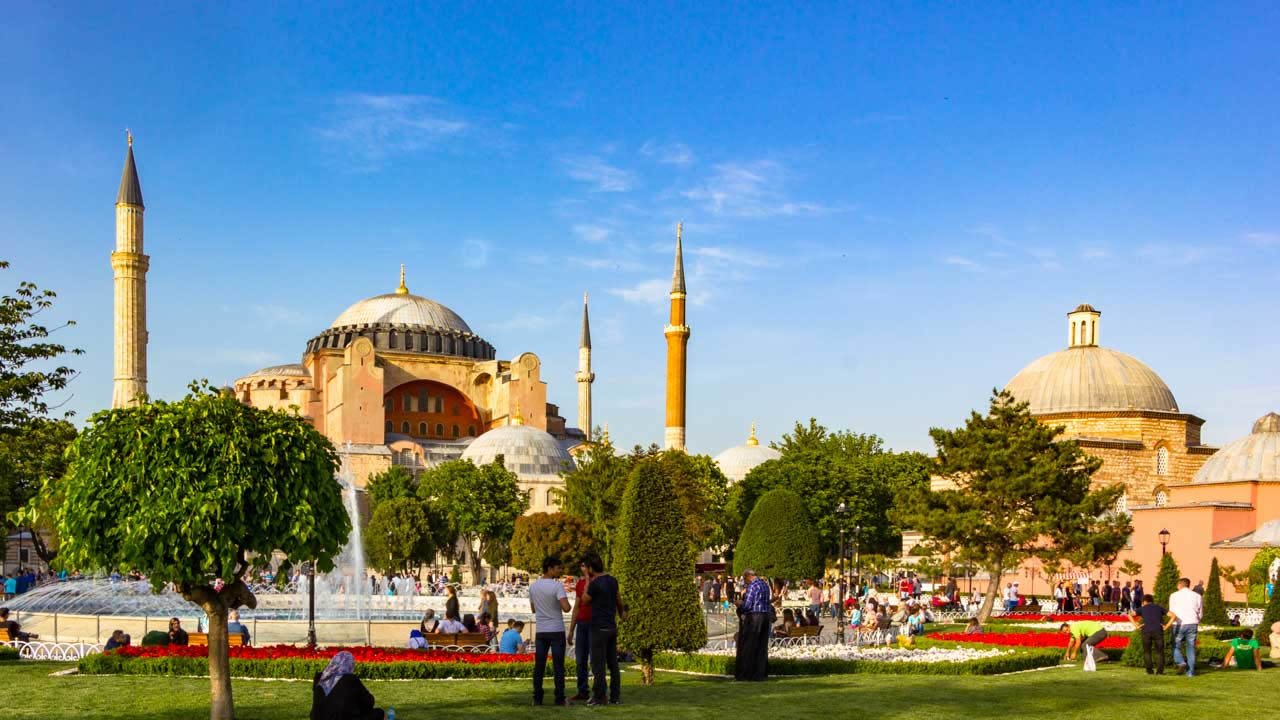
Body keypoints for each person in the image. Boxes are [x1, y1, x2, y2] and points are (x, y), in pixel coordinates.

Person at [581, 551, 627, 705]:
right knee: (613, 664)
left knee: (598, 665)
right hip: (611, 627)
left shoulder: (594, 584)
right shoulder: (612, 581)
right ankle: (615, 697)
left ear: (590, 568)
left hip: (598, 628)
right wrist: (622, 614)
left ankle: (599, 696)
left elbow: (584, 601)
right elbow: (619, 601)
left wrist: (587, 579)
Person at [529, 555, 573, 706]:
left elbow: (533, 609)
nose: (560, 570)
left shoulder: (533, 586)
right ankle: (559, 698)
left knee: (539, 666)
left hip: (541, 630)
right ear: (550, 568)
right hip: (556, 629)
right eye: (558, 568)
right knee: (558, 666)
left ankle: (537, 698)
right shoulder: (557, 586)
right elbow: (566, 608)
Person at [310, 650, 385, 720]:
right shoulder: (350, 679)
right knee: (379, 713)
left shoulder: (320, 678)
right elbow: (368, 703)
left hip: (317, 718)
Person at [734, 568, 771, 681]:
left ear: (748, 576)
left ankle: (746, 674)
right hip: (766, 616)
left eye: (745, 579)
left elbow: (748, 605)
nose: (745, 582)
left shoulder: (752, 586)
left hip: (755, 617)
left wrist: (740, 603)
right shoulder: (765, 585)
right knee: (762, 646)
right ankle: (759, 674)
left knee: (750, 646)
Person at [567, 560, 593, 702]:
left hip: (594, 624)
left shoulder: (597, 582)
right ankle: (582, 691)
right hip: (582, 624)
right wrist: (571, 630)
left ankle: (599, 691)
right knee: (580, 660)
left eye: (585, 565)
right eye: (582, 566)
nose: (583, 568)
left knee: (595, 659)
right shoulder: (580, 584)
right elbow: (576, 607)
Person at [1168, 577, 1203, 677]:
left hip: (1179, 623)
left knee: (1176, 645)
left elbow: (1171, 611)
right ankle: (1191, 672)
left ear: (1179, 585)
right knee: (1191, 647)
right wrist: (1196, 621)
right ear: (1188, 585)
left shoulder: (1174, 595)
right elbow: (1200, 612)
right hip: (1192, 623)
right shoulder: (1197, 596)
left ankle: (1181, 662)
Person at [1128, 594, 1170, 675]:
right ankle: (1160, 672)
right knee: (1160, 652)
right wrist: (1166, 626)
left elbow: (1129, 615)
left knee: (1147, 651)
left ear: (1144, 601)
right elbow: (1173, 615)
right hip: (1158, 631)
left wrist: (1136, 626)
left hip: (1146, 631)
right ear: (1152, 601)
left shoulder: (1142, 608)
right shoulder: (1159, 608)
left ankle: (1149, 671)